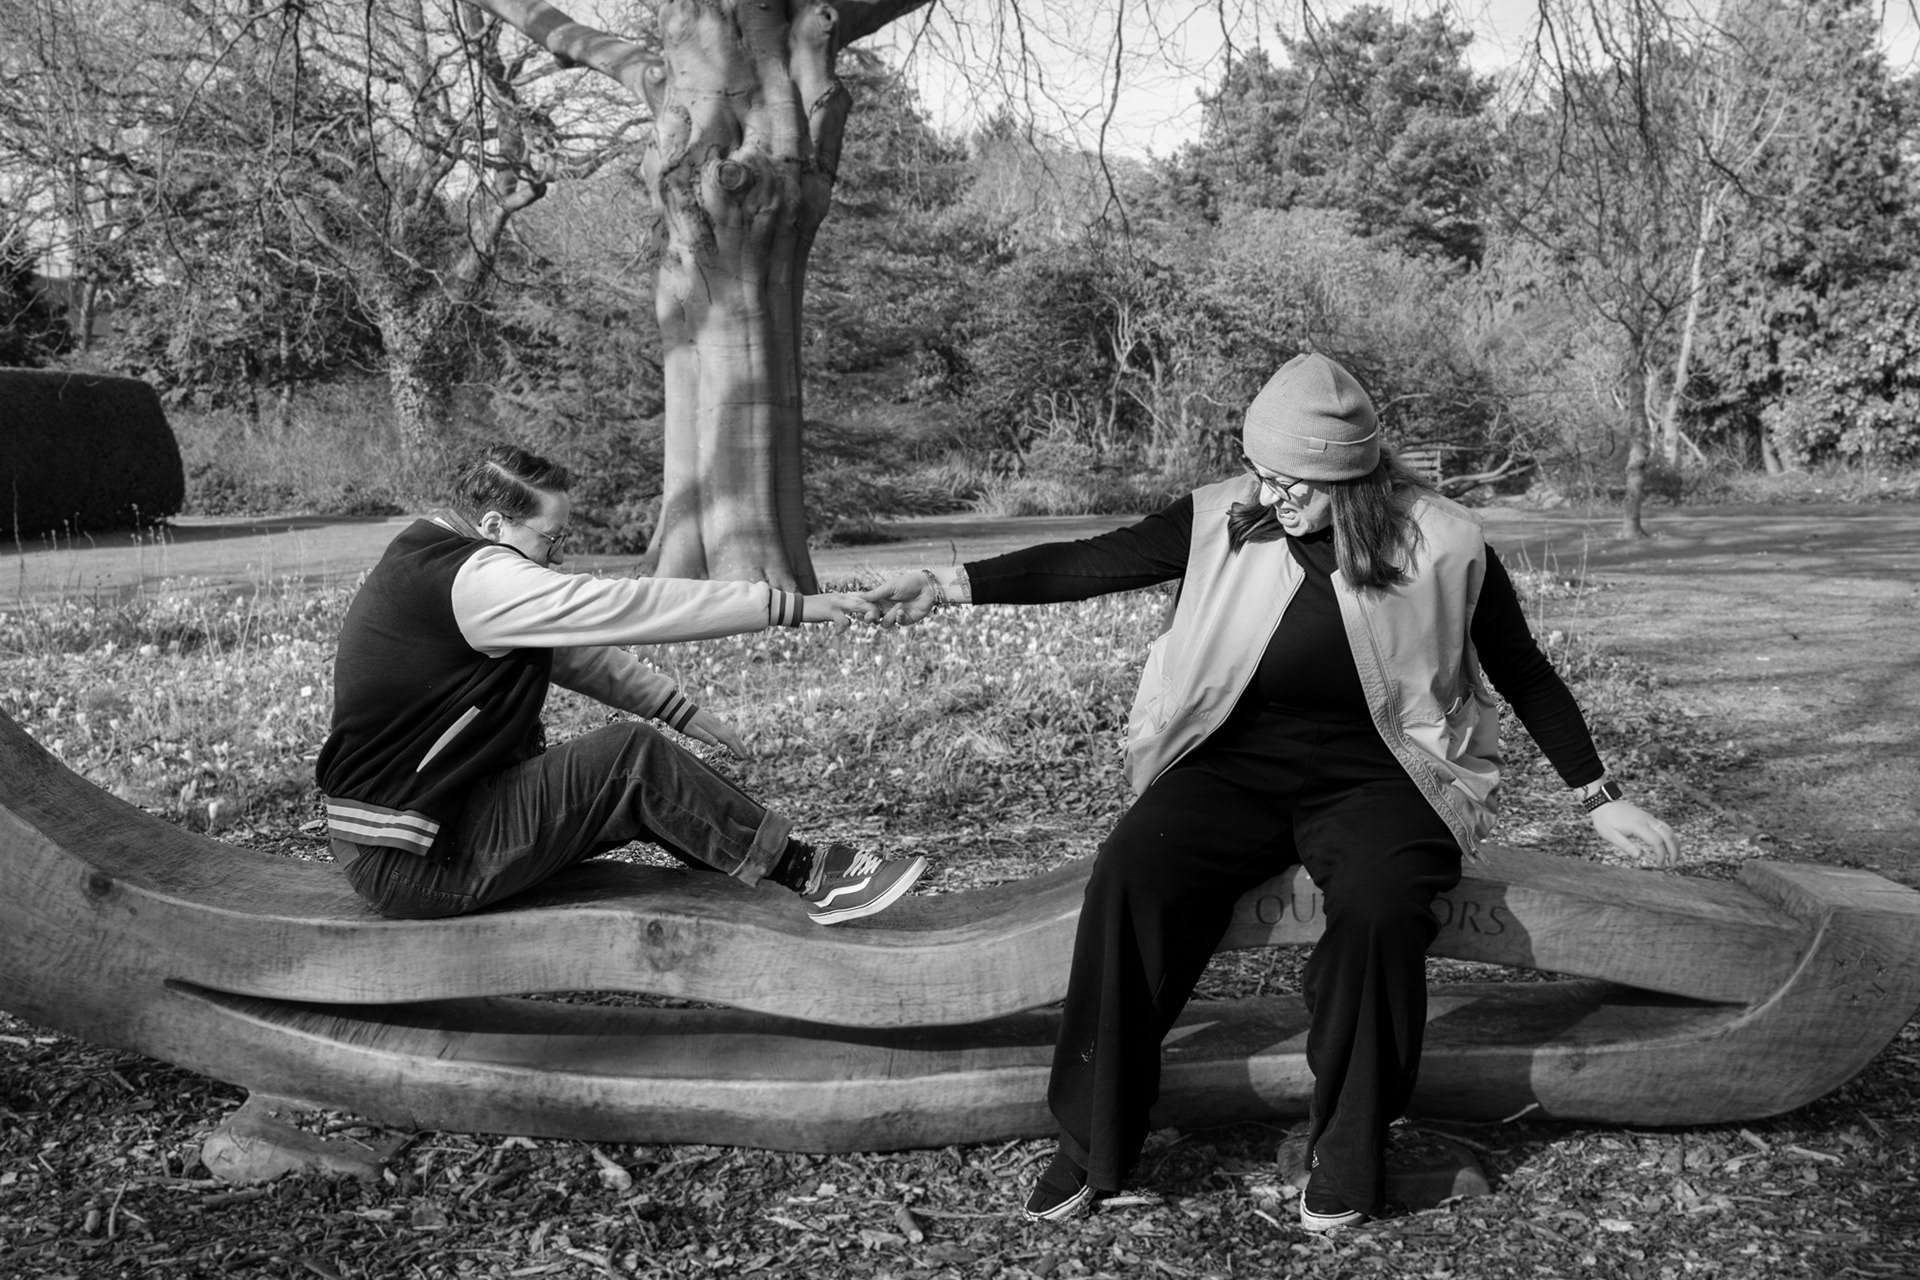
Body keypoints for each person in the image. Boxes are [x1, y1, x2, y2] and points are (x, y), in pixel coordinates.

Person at [864, 353, 1680, 1230]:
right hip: (1231, 761)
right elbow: (1091, 562)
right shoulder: (1226, 513)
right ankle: (1094, 1137)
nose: (1273, 496)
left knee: (1381, 905)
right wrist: (948, 586)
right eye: (1263, 473)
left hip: (1388, 771)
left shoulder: (1445, 540)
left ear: (1354, 478)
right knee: (1134, 872)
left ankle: (1349, 1149)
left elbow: (1523, 669)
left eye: (1297, 483)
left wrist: (1600, 796)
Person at [317, 443, 925, 926]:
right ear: (494, 523)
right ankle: (811, 875)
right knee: (630, 759)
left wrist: (675, 708)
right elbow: (628, 605)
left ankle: (763, 900)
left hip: (420, 837)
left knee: (637, 772)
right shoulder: (473, 580)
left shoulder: (439, 556)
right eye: (551, 540)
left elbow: (571, 657)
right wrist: (796, 607)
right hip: (412, 861)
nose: (557, 557)